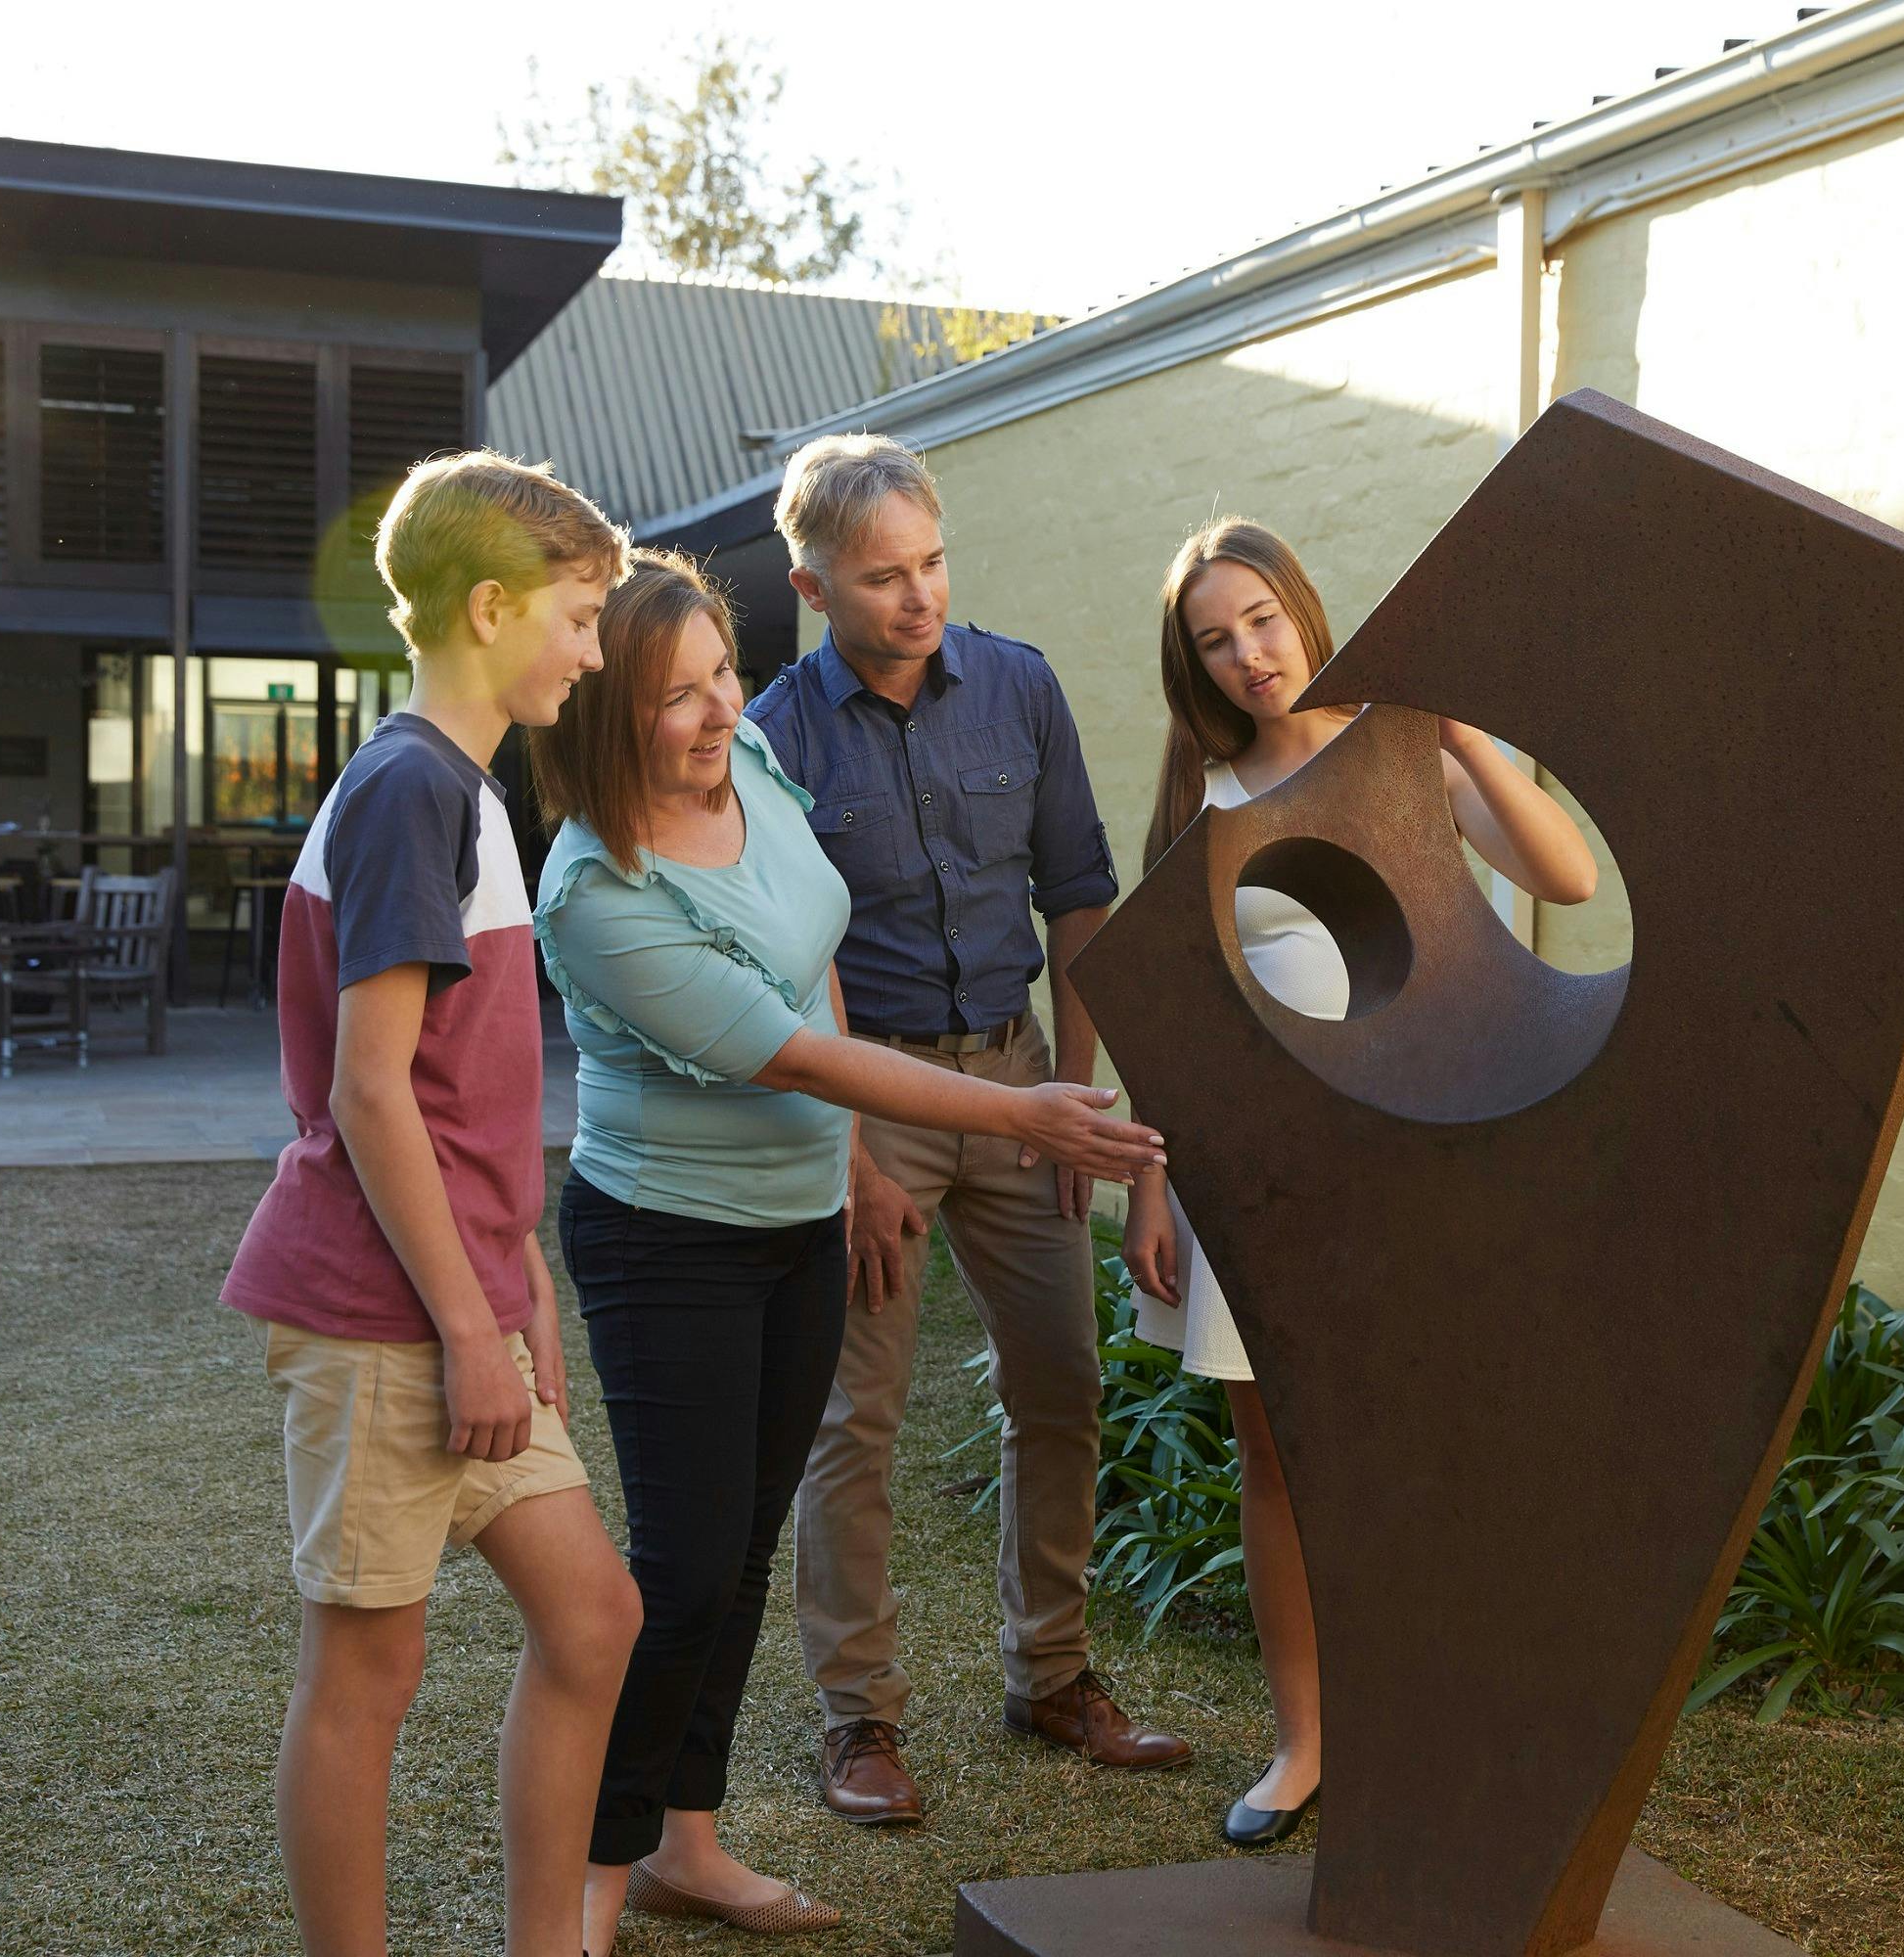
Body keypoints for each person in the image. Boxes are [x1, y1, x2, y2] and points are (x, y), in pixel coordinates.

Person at [532, 551, 1165, 1947]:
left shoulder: (752, 760)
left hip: (793, 1229)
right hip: (668, 1244)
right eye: (674, 697)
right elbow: (801, 1059)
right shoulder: (594, 895)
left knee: (745, 1551)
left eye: (722, 675)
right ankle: (589, 1879)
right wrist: (1018, 1114)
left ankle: (683, 1846)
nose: (717, 712)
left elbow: (813, 931)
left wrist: (855, 1172)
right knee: (686, 1566)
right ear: (601, 718)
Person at [220, 450, 642, 1957]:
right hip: (387, 1317)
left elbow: (465, 1094)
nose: (594, 652)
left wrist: (520, 1279)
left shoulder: (459, 791)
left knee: (595, 1620)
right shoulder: (414, 790)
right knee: (368, 1673)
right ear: (490, 605)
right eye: (582, 617)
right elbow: (370, 1089)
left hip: (471, 1304)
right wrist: (469, 1323)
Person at [1121, 518, 1599, 1845]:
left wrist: (1461, 738)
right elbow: (1180, 1011)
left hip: (1423, 1142)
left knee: (1439, 1435)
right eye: (1214, 641)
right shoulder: (1201, 791)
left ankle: (1447, 1724)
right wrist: (1154, 1186)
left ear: (1304, 610)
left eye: (1261, 620)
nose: (1247, 657)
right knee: (1274, 1454)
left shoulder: (1401, 747)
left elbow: (1564, 875)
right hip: (1261, 1168)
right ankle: (1304, 1744)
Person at [746, 433, 1194, 1826]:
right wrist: (853, 1152)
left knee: (1061, 1385)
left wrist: (1078, 1093)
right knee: (853, 1419)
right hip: (872, 1094)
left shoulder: (1020, 687)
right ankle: (857, 1722)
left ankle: (1050, 1675)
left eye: (932, 562)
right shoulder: (773, 733)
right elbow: (784, 953)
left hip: (1020, 1083)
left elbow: (1078, 893)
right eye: (884, 578)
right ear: (814, 587)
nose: (919, 596)